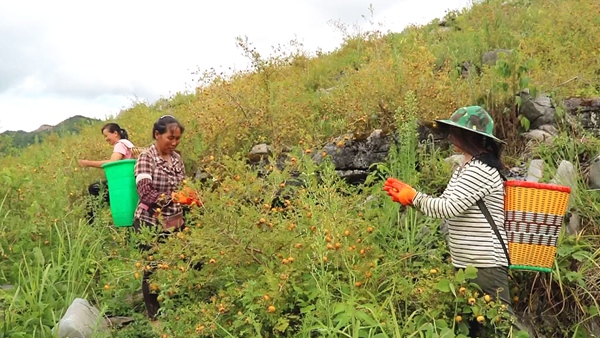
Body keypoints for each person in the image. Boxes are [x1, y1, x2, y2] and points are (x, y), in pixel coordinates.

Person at [383, 106, 531, 337]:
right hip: (468, 264)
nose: (450, 136)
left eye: (456, 131)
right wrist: (413, 200)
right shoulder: (465, 167)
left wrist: (414, 196)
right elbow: (447, 202)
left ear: (471, 136)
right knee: (475, 329)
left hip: (485, 264)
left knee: (502, 327)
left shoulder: (481, 170)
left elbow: (448, 208)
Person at [132, 115, 193, 320]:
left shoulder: (177, 158)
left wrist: (191, 197)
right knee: (153, 268)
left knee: (190, 258)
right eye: (170, 138)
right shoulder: (146, 158)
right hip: (150, 222)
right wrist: (174, 197)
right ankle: (155, 317)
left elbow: (184, 186)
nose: (174, 143)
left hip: (174, 221)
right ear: (157, 134)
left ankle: (181, 303)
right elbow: (145, 192)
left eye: (178, 138)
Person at [79, 123, 135, 224]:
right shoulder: (128, 144)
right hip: (129, 182)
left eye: (106, 135)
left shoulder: (120, 144)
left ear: (115, 133)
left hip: (122, 183)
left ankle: (91, 224)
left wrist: (88, 163)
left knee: (94, 188)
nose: (105, 139)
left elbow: (111, 163)